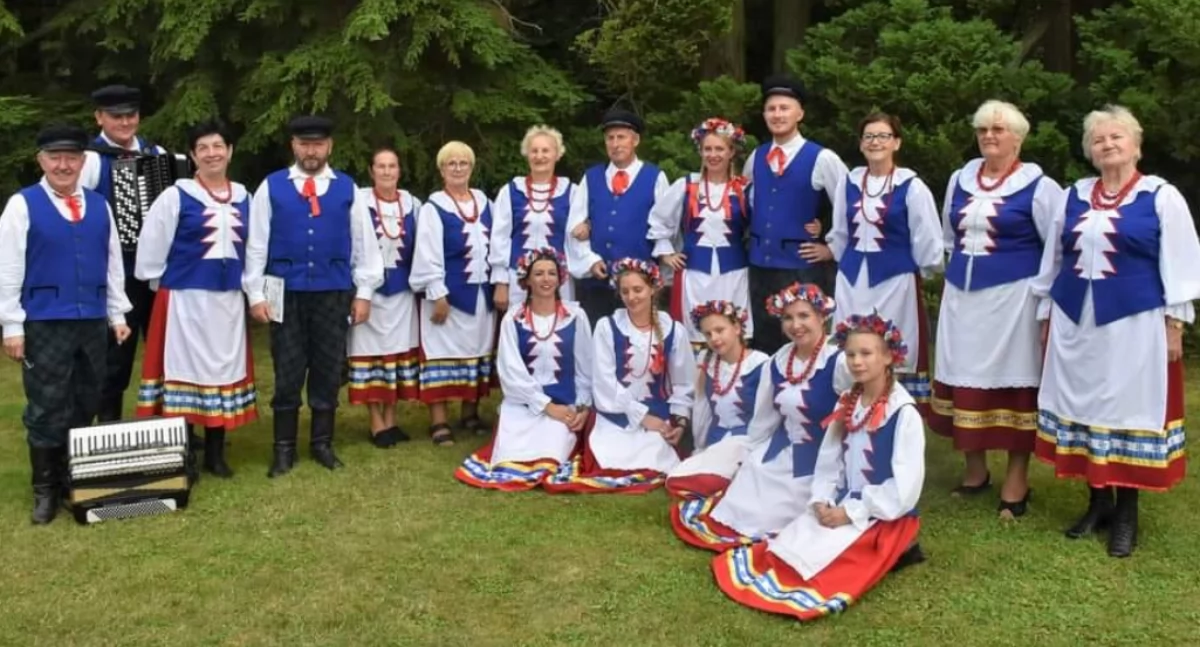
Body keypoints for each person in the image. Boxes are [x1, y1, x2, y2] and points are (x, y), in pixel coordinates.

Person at [1033, 106, 1200, 558]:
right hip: (1075, 321)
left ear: (1136, 144)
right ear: (1089, 151)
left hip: (1133, 321)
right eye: (1099, 140)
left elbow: (1182, 263)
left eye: (1116, 137)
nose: (1107, 145)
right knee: (1084, 404)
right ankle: (1097, 503)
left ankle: (1127, 511)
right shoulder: (1074, 195)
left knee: (1126, 408)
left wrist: (1174, 324)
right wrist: (1046, 315)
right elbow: (1053, 259)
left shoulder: (1160, 196)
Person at [712, 313, 926, 621]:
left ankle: (900, 548)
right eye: (851, 354)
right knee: (784, 548)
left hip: (882, 514)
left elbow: (905, 488)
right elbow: (829, 462)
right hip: (842, 502)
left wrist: (851, 512)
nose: (857, 362)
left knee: (819, 564)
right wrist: (822, 499)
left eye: (866, 353)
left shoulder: (903, 413)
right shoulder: (848, 402)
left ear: (888, 357)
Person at [930, 100, 1062, 518]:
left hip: (1013, 298)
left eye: (999, 130)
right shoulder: (961, 178)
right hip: (962, 297)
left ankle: (1016, 479)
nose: (989, 135)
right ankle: (975, 470)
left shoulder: (1039, 186)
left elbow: (1056, 247)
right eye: (984, 129)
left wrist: (1044, 299)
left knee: (1013, 383)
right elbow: (949, 234)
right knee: (965, 377)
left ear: (1018, 138)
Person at [0, 125, 133, 524]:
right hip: (44, 321)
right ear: (41, 160)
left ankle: (70, 479)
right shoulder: (23, 205)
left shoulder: (99, 205)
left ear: (82, 161)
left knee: (86, 399)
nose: (63, 165)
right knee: (47, 404)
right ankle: (44, 490)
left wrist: (117, 313)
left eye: (71, 158)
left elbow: (112, 266)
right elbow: (8, 269)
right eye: (55, 157)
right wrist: (11, 325)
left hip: (91, 320)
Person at [244, 115, 384, 477]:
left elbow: (364, 245)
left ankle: (322, 443)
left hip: (332, 291)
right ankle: (283, 448)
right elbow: (257, 245)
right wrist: (255, 293)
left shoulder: (347, 188)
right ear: (293, 145)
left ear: (329, 147)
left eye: (318, 144)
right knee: (287, 370)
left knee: (326, 369)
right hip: (284, 293)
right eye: (304, 144)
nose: (311, 150)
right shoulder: (271, 187)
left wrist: (364, 292)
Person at [669, 283, 849, 550]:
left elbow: (865, 411)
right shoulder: (778, 361)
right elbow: (764, 421)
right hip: (782, 451)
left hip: (822, 460)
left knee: (769, 515)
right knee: (743, 499)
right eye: (788, 318)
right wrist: (751, 455)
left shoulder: (841, 362)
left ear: (822, 316)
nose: (795, 325)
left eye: (804, 316)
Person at [134, 119, 257, 478]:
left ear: (230, 151)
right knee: (184, 372)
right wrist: (167, 282)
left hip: (229, 301)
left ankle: (215, 454)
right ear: (192, 155)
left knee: (221, 369)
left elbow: (254, 249)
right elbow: (152, 249)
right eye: (202, 147)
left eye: (218, 146)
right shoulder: (176, 195)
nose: (211, 153)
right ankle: (183, 454)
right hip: (185, 300)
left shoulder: (244, 196)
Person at [543, 258, 694, 493]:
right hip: (615, 414)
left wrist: (680, 422)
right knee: (612, 457)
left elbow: (683, 383)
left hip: (657, 413)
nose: (632, 297)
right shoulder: (607, 326)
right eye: (625, 291)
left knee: (654, 457)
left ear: (654, 288)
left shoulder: (674, 330)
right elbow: (604, 382)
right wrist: (641, 417)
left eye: (638, 290)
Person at [827, 113, 942, 415]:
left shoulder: (912, 187)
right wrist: (846, 262)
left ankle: (892, 416)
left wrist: (921, 269)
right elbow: (839, 232)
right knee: (849, 343)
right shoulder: (848, 183)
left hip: (894, 280)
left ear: (897, 142)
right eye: (869, 136)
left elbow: (928, 238)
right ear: (861, 144)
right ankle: (850, 411)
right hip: (852, 280)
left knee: (891, 346)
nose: (875, 142)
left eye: (883, 136)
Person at [456, 249, 593, 490]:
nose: (546, 279)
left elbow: (586, 369)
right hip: (523, 403)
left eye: (552, 273)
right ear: (526, 279)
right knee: (512, 455)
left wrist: (582, 407)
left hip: (565, 403)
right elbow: (510, 373)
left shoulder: (576, 316)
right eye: (538, 273)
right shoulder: (513, 318)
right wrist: (546, 406)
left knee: (552, 455)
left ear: (560, 278)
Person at [80, 85, 172, 423]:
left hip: (159, 273)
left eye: (130, 115)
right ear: (99, 117)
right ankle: (108, 427)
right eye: (116, 116)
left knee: (166, 349)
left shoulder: (156, 152)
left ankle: (173, 427)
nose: (124, 122)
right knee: (114, 356)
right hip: (116, 274)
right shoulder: (91, 160)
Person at [743, 74, 848, 354]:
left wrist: (830, 246)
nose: (777, 114)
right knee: (763, 342)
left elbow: (849, 204)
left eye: (784, 108)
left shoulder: (822, 158)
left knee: (804, 341)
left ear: (799, 113)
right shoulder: (756, 157)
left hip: (801, 267)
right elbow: (746, 203)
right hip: (760, 267)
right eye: (771, 108)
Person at [410, 141, 496, 446]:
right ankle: (439, 421)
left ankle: (470, 413)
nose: (458, 168)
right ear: (442, 169)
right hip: (449, 295)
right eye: (451, 163)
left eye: (463, 163)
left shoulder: (485, 203)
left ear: (472, 168)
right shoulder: (434, 208)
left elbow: (496, 246)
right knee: (442, 355)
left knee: (476, 352)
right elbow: (427, 252)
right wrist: (438, 293)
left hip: (482, 296)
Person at [649, 118, 753, 349]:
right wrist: (666, 253)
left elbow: (764, 224)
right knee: (694, 336)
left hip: (733, 275)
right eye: (708, 149)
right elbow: (658, 221)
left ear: (731, 152)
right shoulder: (687, 186)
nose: (713, 155)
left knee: (732, 333)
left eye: (719, 149)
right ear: (700, 151)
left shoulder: (744, 189)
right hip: (695, 274)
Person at [346, 148, 422, 448]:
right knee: (369, 354)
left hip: (402, 292)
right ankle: (375, 420)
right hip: (368, 292)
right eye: (381, 166)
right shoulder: (360, 201)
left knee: (397, 353)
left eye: (392, 166)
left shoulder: (412, 203)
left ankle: (392, 419)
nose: (387, 172)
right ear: (371, 170)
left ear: (399, 171)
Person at [565, 109, 670, 324]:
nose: (615, 144)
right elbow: (574, 226)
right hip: (598, 285)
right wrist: (590, 262)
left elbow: (666, 229)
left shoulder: (655, 177)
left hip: (639, 287)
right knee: (596, 344)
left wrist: (661, 273)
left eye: (621, 137)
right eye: (610, 138)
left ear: (635, 140)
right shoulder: (591, 177)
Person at [663, 301, 769, 496]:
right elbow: (702, 411)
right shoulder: (708, 365)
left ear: (737, 328)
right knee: (676, 477)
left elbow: (769, 415)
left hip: (748, 442)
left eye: (720, 330)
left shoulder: (760, 364)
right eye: (708, 334)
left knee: (714, 475)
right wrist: (700, 446)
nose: (715, 338)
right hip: (716, 443)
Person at [489, 125, 576, 311]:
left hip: (558, 280)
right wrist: (500, 282)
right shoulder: (511, 191)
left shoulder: (572, 192)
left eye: (546, 150)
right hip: (518, 281)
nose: (539, 156)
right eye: (534, 151)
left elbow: (577, 236)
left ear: (557, 154)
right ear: (527, 154)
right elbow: (500, 237)